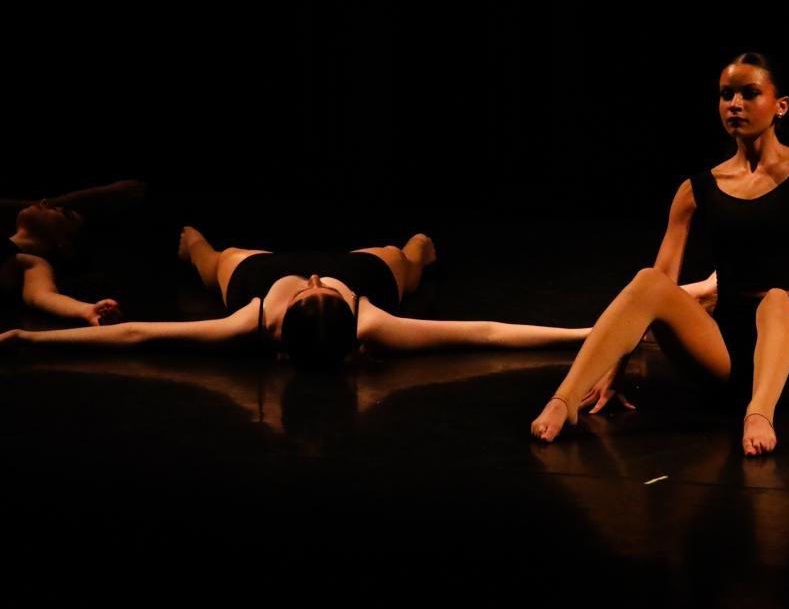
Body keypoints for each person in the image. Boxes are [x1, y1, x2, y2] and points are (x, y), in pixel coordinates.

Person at [530, 52, 789, 456]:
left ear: (781, 106)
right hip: (726, 348)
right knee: (648, 280)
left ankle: (760, 412)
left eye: (749, 93)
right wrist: (615, 373)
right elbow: (658, 288)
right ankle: (564, 399)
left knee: (776, 300)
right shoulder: (697, 189)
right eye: (726, 94)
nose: (735, 104)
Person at [1, 227, 589, 362]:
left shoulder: (250, 320)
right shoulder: (370, 320)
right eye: (321, 291)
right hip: (366, 269)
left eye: (309, 293)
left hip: (259, 271)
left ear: (281, 324)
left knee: (211, 257)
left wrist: (32, 338)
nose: (313, 281)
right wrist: (587, 334)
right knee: (409, 253)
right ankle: (421, 248)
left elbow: (140, 335)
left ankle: (193, 242)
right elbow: (485, 332)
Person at [1, 180, 147, 324]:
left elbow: (43, 296)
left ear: (64, 242)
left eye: (61, 212)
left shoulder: (32, 263)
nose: (44, 202)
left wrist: (87, 310)